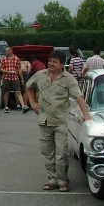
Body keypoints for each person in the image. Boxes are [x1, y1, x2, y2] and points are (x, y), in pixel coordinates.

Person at [26, 49, 91, 191]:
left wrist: (86, 114)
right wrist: (33, 103)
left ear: (62, 64)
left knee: (61, 154)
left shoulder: (68, 79)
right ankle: (52, 179)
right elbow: (28, 86)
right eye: (50, 61)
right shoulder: (40, 75)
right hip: (44, 121)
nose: (51, 63)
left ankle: (62, 181)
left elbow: (78, 97)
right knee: (47, 153)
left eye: (55, 62)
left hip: (60, 122)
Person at [0, 46, 24, 112]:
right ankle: (6, 106)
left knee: (18, 91)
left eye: (7, 51)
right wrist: (8, 72)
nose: (6, 52)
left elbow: (19, 69)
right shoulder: (4, 59)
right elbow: (0, 68)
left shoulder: (17, 59)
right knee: (6, 92)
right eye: (6, 51)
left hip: (15, 77)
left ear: (11, 51)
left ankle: (22, 106)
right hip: (6, 77)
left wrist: (22, 79)